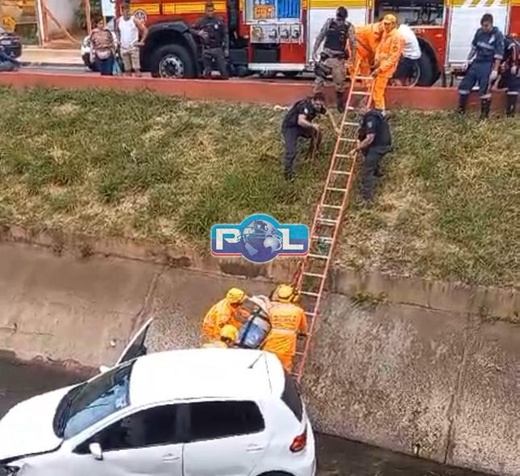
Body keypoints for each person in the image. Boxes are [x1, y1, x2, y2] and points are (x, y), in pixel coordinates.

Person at [281, 92, 340, 181]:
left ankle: (312, 155)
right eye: (317, 104)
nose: (318, 107)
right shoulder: (305, 105)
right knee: (291, 152)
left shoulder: (319, 107)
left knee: (318, 133)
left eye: (321, 105)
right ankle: (288, 175)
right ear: (313, 100)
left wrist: (335, 127)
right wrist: (313, 125)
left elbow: (329, 114)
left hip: (301, 127)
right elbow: (300, 121)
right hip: (291, 127)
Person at [458, 14, 505, 119]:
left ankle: (484, 115)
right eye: (483, 26)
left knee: (484, 89)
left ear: (491, 24)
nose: (484, 28)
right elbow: (474, 48)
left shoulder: (498, 35)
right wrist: (467, 60)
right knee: (465, 84)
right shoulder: (479, 33)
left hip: (487, 64)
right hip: (477, 62)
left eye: (486, 26)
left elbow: (498, 55)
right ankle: (461, 111)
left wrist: (495, 70)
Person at [311, 6, 356, 112]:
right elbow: (320, 36)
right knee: (319, 82)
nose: (339, 20)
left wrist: (353, 59)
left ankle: (340, 105)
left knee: (339, 84)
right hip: (326, 58)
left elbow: (353, 43)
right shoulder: (330, 23)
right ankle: (317, 105)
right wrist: (314, 51)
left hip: (337, 60)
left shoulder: (348, 27)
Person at [262, 284, 307, 372]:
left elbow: (269, 315)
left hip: (271, 343)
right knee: (285, 370)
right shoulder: (298, 311)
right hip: (287, 346)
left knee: (266, 368)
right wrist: (303, 334)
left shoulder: (273, 310)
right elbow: (303, 327)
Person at [355, 106, 393, 202]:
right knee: (368, 153)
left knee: (367, 170)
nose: (358, 113)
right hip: (381, 144)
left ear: (363, 108)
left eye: (358, 110)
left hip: (378, 146)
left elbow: (369, 138)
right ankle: (377, 173)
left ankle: (367, 198)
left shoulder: (371, 119)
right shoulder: (376, 115)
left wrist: (357, 148)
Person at [372, 14, 404, 113]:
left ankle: (380, 112)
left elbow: (393, 58)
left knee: (378, 90)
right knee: (375, 88)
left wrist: (380, 69)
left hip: (386, 68)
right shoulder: (386, 34)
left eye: (388, 24)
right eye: (384, 24)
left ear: (393, 24)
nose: (385, 26)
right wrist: (376, 60)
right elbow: (379, 48)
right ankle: (378, 110)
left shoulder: (396, 37)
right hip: (381, 65)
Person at [190, 2, 229, 79]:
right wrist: (199, 33)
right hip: (206, 49)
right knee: (207, 74)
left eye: (211, 11)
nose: (210, 13)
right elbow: (190, 29)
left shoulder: (219, 20)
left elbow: (225, 34)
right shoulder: (201, 21)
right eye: (208, 11)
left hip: (217, 49)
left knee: (224, 73)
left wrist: (226, 49)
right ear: (205, 11)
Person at [116, 3, 148, 77]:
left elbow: (145, 30)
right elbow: (117, 31)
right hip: (124, 47)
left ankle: (139, 85)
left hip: (133, 47)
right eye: (125, 11)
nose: (127, 12)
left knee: (136, 68)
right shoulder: (119, 21)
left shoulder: (134, 20)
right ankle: (129, 86)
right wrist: (118, 40)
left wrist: (141, 41)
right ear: (122, 11)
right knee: (127, 69)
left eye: (128, 10)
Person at [499, 35, 519, 117]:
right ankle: (510, 112)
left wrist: (513, 64)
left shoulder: (511, 44)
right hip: (511, 71)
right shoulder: (512, 45)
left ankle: (510, 112)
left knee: (513, 87)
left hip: (513, 71)